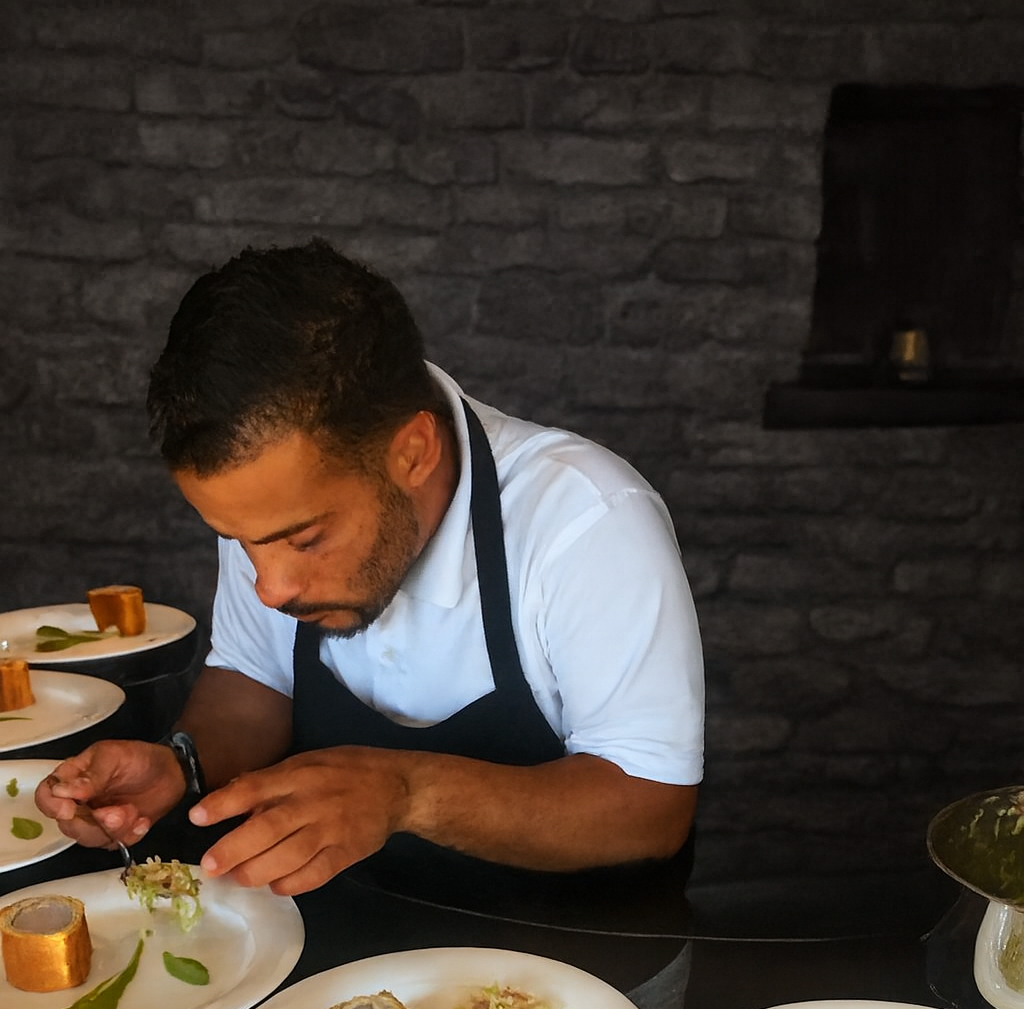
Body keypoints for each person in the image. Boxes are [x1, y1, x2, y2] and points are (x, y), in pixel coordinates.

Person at [37, 240, 704, 897]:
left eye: (305, 540)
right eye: (240, 542)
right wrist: (183, 762)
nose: (270, 588)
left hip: (586, 962)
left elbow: (651, 805)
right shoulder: (268, 507)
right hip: (353, 944)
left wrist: (402, 793)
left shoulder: (587, 521)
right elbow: (254, 677)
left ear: (412, 452)